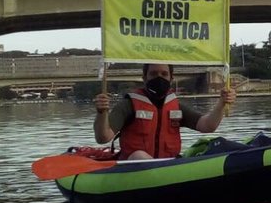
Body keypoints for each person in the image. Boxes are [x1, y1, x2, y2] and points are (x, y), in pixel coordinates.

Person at [93, 64, 237, 160]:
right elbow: (103, 137)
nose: (159, 78)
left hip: (169, 165)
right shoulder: (128, 105)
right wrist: (101, 112)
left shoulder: (176, 105)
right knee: (139, 155)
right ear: (144, 78)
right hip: (134, 167)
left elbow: (207, 126)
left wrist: (221, 103)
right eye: (154, 74)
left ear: (171, 78)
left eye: (164, 74)